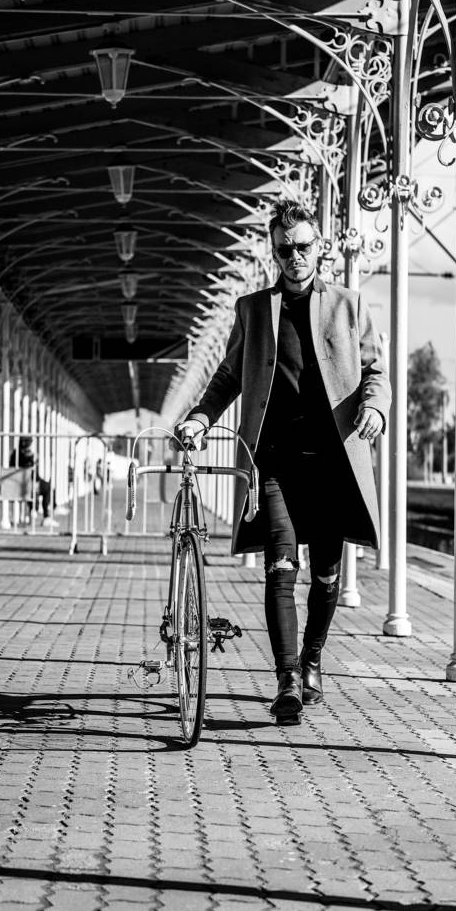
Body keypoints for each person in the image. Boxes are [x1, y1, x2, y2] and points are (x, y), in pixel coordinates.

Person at [176, 201, 390, 725]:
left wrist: (375, 407)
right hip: (272, 462)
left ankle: (312, 660)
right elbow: (229, 377)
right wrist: (201, 416)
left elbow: (375, 371)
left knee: (327, 576)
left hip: (333, 464)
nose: (294, 256)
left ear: (320, 248)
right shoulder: (253, 310)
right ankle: (288, 680)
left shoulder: (349, 305)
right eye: (284, 249)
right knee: (281, 569)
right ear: (274, 252)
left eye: (303, 246)